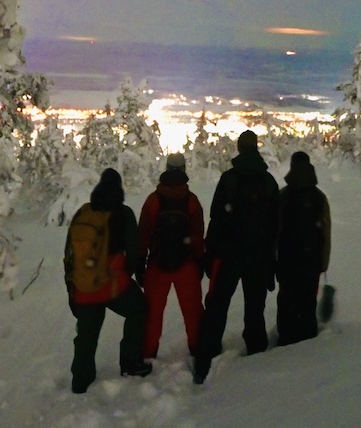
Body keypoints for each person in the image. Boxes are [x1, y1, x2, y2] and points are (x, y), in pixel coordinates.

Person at [194, 129, 280, 384]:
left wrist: (211, 253)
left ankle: (205, 358)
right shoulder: (268, 182)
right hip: (258, 257)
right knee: (255, 308)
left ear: (240, 148)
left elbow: (216, 218)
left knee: (218, 306)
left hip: (229, 255)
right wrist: (270, 259)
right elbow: (276, 224)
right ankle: (255, 355)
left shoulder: (229, 179)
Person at [63, 168, 150, 393]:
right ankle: (131, 363)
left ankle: (80, 381)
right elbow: (134, 251)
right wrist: (125, 276)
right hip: (112, 285)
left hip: (83, 286)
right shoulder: (124, 214)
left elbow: (69, 255)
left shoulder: (83, 213)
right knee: (138, 309)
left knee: (86, 335)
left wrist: (72, 288)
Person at [137, 153, 206, 364]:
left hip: (158, 264)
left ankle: (148, 355)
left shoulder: (154, 199)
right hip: (186, 264)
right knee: (193, 312)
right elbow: (197, 234)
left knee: (152, 314)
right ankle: (199, 350)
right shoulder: (191, 200)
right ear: (184, 169)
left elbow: (143, 234)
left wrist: (140, 263)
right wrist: (199, 260)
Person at [275, 150, 332, 346]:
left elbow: (275, 231)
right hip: (311, 260)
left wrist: (274, 260)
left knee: (287, 302)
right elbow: (326, 233)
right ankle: (307, 342)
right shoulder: (319, 197)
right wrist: (323, 262)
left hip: (286, 260)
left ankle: (285, 340)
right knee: (308, 302)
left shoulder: (282, 196)